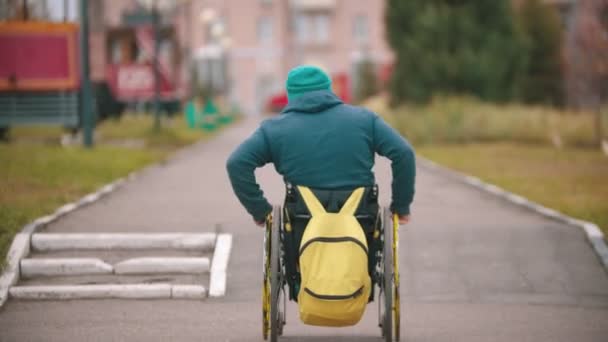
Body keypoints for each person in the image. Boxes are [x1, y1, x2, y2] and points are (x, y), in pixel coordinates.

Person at [226, 65, 415, 227]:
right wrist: (401, 206)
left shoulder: (273, 129)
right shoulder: (365, 120)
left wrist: (261, 211)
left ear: (291, 94)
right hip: (361, 218)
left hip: (301, 221)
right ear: (328, 89)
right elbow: (403, 153)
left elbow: (237, 163)